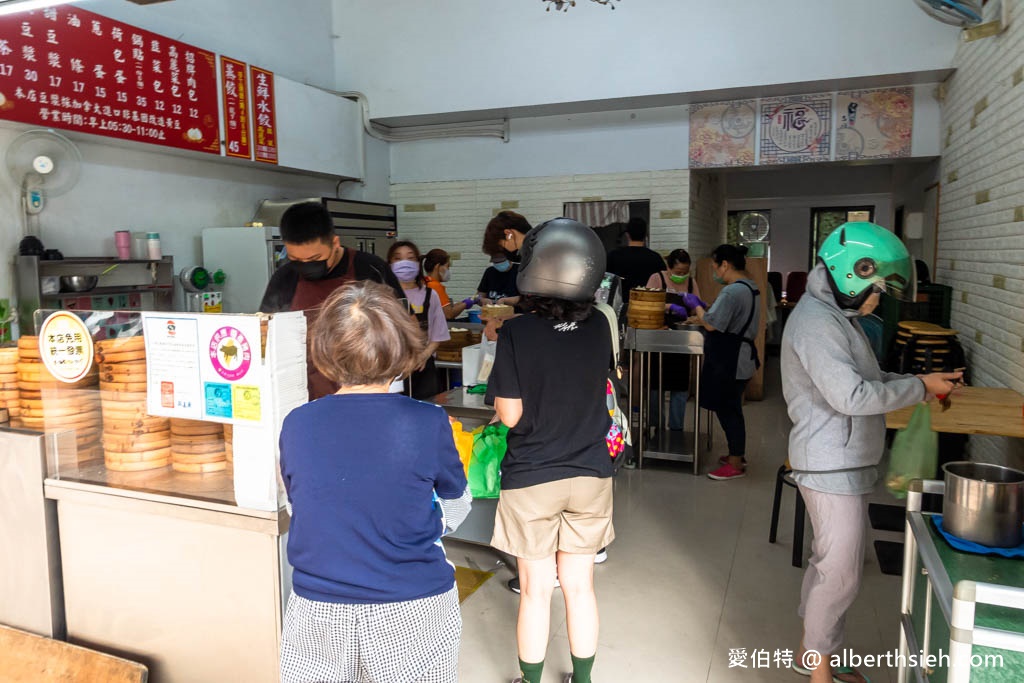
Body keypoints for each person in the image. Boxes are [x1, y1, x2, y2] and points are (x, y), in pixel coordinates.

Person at [781, 222, 961, 683]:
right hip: (828, 464)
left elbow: (869, 378)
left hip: (845, 461)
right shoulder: (817, 324)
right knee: (839, 574)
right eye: (875, 289)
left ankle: (813, 651)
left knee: (833, 568)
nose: (877, 299)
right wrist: (919, 385)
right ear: (850, 276)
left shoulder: (839, 319)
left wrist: (920, 388)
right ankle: (818, 669)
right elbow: (852, 397)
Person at [278, 281, 472, 683]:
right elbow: (457, 503)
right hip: (412, 606)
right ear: (401, 349)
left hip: (317, 607)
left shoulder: (296, 423)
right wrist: (429, 527)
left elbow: (300, 504)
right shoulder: (428, 421)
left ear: (325, 356)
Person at [487, 218, 614, 683]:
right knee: (580, 588)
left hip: (533, 476)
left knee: (538, 591)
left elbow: (513, 416)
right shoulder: (600, 324)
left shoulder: (518, 333)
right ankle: (581, 679)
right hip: (591, 473)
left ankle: (533, 680)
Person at [259, 201, 403, 399]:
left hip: (367, 395)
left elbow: (401, 330)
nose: (305, 266)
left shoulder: (370, 269)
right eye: (296, 260)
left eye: (314, 259)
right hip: (304, 395)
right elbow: (267, 335)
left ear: (335, 243)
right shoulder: (284, 279)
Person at [692, 244, 759, 481]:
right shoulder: (749, 287)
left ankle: (735, 463)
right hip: (740, 356)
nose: (714, 271)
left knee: (728, 410)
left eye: (715, 266)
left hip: (731, 358)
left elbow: (711, 324)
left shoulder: (732, 291)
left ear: (725, 265)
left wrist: (696, 306)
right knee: (732, 408)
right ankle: (737, 455)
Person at [645, 248, 704, 431]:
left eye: (685, 272)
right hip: (658, 339)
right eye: (678, 273)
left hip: (681, 340)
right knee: (655, 386)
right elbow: (646, 302)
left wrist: (695, 307)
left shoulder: (691, 282)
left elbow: (697, 309)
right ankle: (656, 426)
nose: (682, 276)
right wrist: (669, 306)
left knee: (679, 386)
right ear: (669, 268)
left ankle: (676, 429)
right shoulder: (657, 278)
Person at [387, 241, 451, 399]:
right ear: (389, 264)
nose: (405, 263)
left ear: (417, 263)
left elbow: (438, 333)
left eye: (410, 258)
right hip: (392, 369)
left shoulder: (430, 294)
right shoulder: (383, 295)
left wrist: (423, 355)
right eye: (398, 259)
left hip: (423, 368)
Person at [478, 210, 530, 307]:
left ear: (509, 234)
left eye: (502, 247)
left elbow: (533, 300)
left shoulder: (528, 266)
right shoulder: (490, 272)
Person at [606, 216, 666, 294]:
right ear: (645, 235)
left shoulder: (614, 256)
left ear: (627, 235)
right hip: (647, 302)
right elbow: (663, 281)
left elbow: (606, 280)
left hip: (620, 303)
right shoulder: (655, 258)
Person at [423, 248, 479, 320]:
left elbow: (445, 308)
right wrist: (466, 304)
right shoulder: (435, 286)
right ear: (437, 267)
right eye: (447, 267)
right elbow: (448, 314)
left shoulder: (424, 281)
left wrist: (463, 303)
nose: (448, 271)